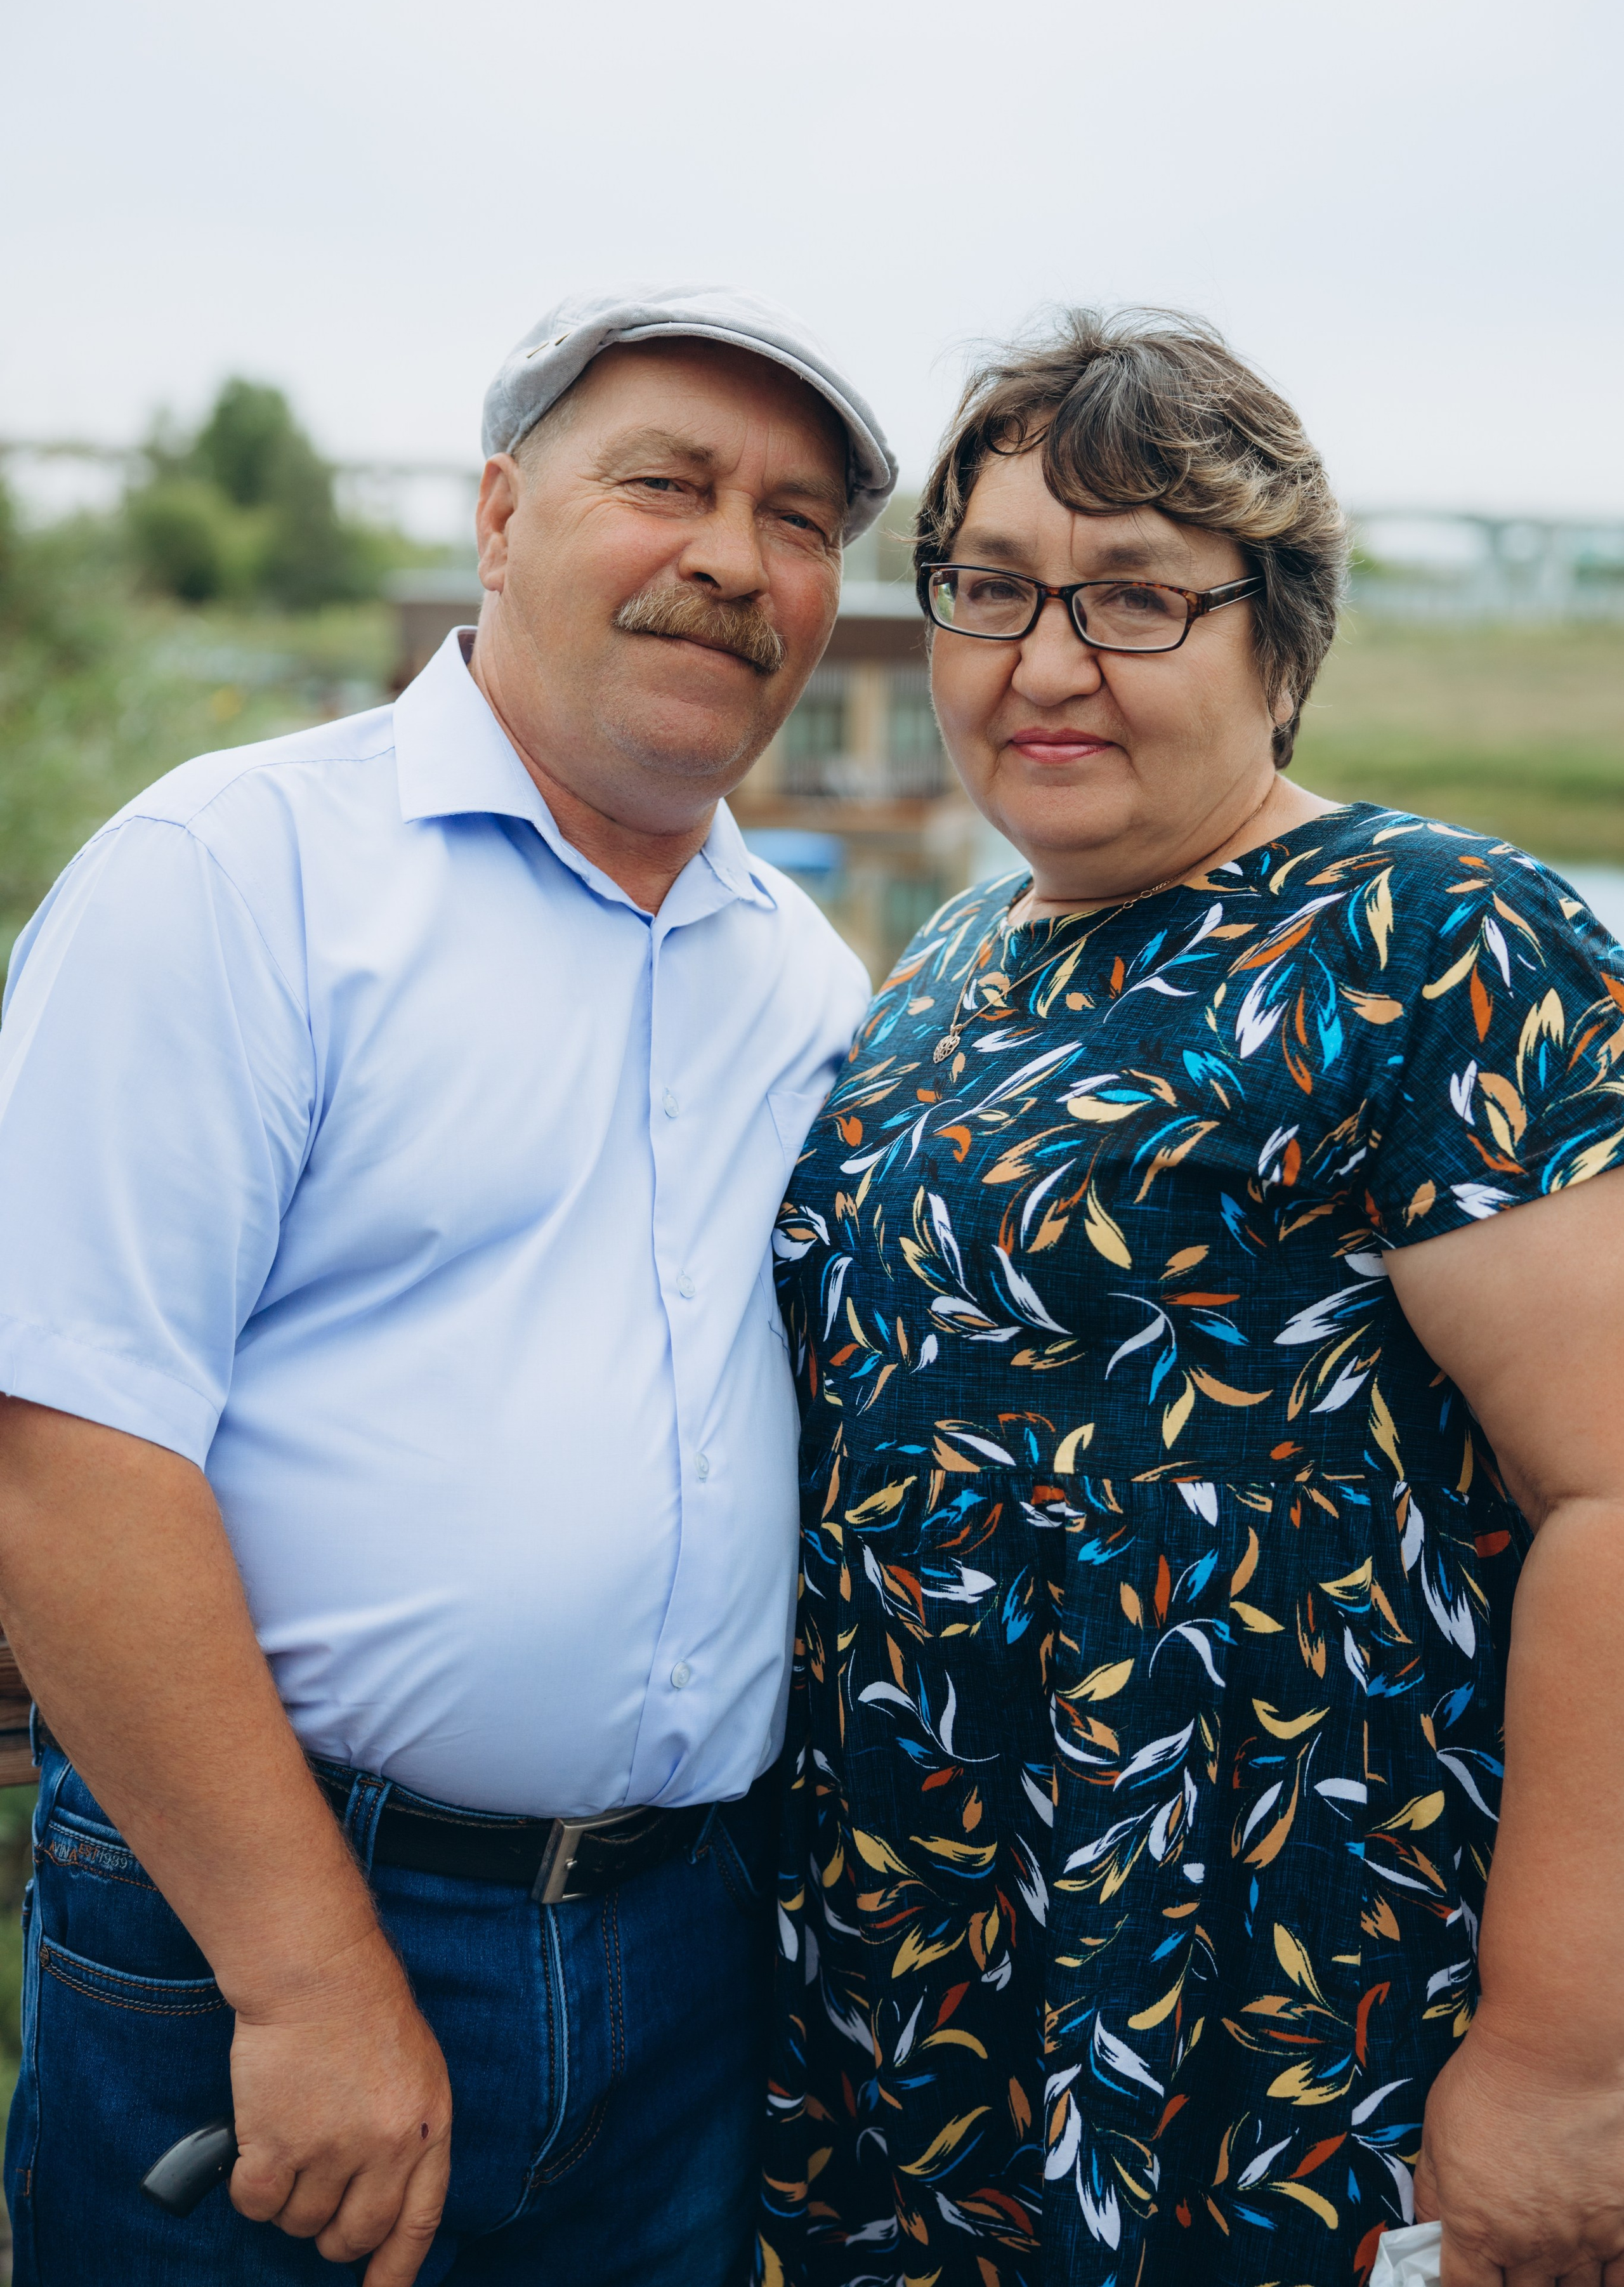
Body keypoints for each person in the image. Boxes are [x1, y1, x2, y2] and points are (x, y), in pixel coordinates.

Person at [0, 286, 893, 2286]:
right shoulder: (239, 873)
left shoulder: (807, 982)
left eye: (802, 520)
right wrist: (308, 1976)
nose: (733, 559)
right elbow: (63, 1452)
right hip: (274, 1931)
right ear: (500, 516)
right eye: (663, 483)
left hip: (687, 1952)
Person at [756, 310, 1624, 2287]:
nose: (1048, 662)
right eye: (992, 591)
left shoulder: (1430, 939)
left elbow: (1615, 1499)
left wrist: (1566, 2064)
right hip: (925, 1974)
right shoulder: (963, 954)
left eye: (1137, 597)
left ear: (1278, 638)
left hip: (1265, 1995)